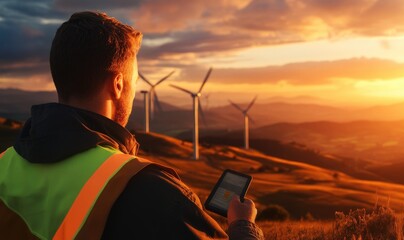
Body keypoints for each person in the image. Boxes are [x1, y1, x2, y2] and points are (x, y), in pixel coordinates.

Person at [0, 11, 264, 239]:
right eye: (134, 81)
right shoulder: (152, 191)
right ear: (117, 85)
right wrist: (243, 225)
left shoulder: (5, 165)